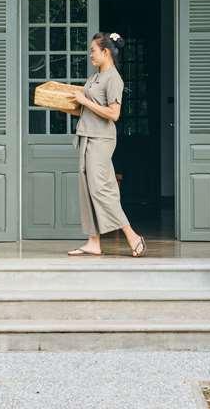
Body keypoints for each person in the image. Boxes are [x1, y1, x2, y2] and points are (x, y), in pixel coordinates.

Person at [64, 32, 146, 258]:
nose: (90, 54)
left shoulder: (113, 78)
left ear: (106, 52)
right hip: (87, 136)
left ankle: (132, 235)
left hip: (101, 140)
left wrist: (84, 101)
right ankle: (93, 241)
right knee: (88, 190)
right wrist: (64, 101)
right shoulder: (94, 78)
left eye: (93, 50)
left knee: (102, 190)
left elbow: (114, 113)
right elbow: (84, 108)